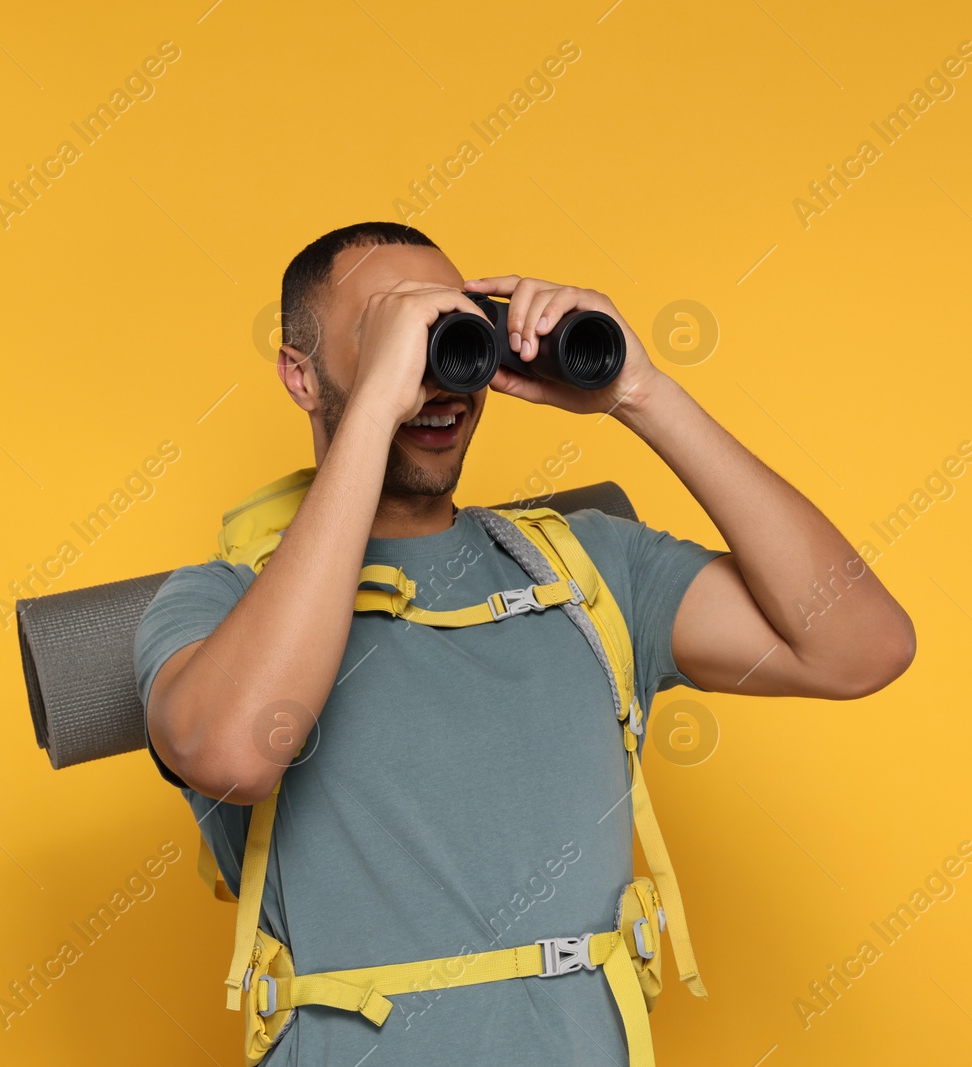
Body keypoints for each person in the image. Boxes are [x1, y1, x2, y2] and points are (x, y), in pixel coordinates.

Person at [134, 221, 915, 1064]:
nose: (430, 374)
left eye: (450, 330)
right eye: (392, 333)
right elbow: (238, 754)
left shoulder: (589, 569)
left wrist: (641, 391)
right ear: (301, 374)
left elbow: (861, 646)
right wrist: (373, 411)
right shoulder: (221, 603)